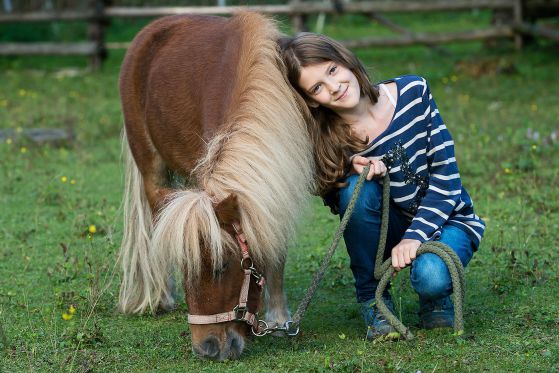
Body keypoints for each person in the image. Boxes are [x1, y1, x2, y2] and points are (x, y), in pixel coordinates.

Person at [279, 33, 485, 340]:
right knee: (353, 189)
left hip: (448, 217)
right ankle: (372, 299)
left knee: (430, 277)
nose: (334, 87)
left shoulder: (414, 92)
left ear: (345, 60)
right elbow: (315, 182)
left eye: (332, 70)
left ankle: (436, 295)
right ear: (311, 100)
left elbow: (446, 176)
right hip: (391, 228)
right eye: (318, 87)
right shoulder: (333, 140)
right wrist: (348, 167)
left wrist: (414, 238)